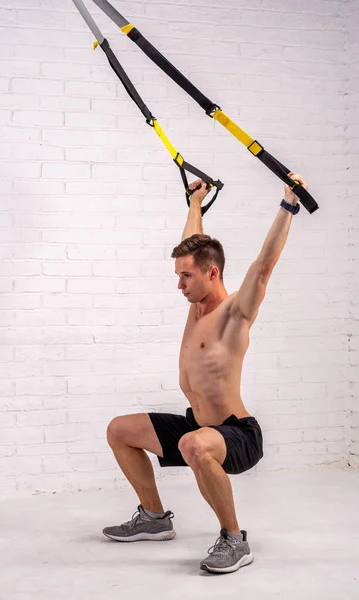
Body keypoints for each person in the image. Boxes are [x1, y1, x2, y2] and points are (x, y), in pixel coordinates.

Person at [103, 173, 309, 574]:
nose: (179, 285)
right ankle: (154, 519)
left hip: (236, 435)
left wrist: (288, 205)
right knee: (119, 430)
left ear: (212, 274)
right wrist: (196, 202)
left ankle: (234, 539)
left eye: (186, 276)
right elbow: (196, 246)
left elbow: (263, 267)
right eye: (178, 275)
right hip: (194, 426)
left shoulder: (234, 314)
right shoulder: (195, 303)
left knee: (194, 446)